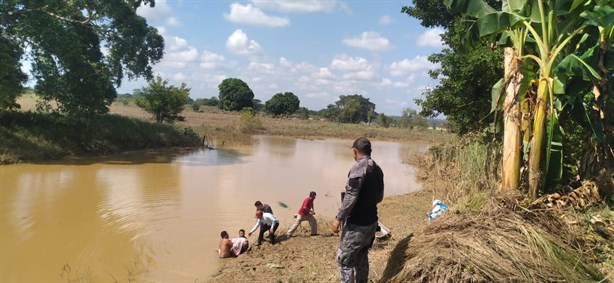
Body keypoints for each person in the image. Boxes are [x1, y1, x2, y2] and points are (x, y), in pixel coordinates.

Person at [331, 137, 384, 283]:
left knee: (344, 260)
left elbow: (351, 195)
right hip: (372, 222)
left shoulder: (358, 167)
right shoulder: (378, 169)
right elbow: (379, 197)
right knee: (361, 256)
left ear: (355, 151)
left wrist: (338, 218)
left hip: (357, 225)